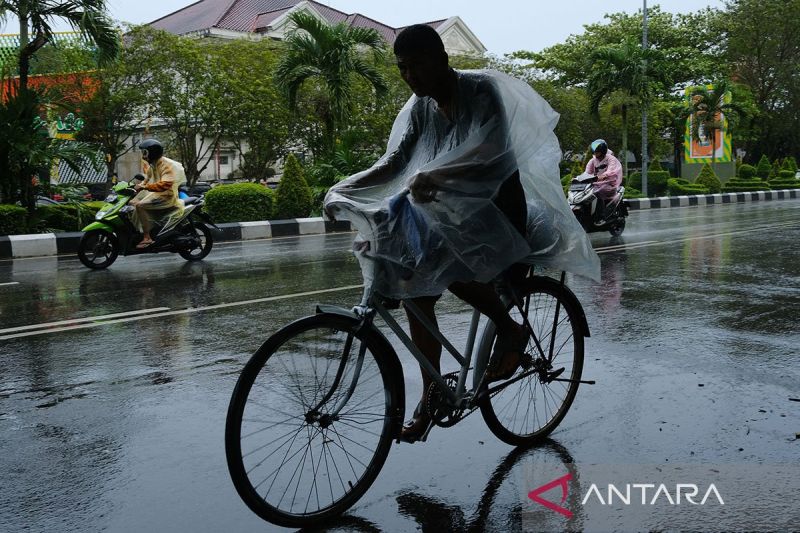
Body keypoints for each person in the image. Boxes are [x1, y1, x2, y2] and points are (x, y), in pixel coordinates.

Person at [324, 25, 599, 442]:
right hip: (451, 211)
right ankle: (432, 395)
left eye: (417, 65)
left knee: (440, 263)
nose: (409, 76)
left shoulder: (481, 91)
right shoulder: (421, 108)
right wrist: (346, 187)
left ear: (442, 59)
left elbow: (494, 153)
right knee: (415, 285)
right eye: (402, 68)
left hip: (500, 212)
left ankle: (508, 328)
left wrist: (437, 174)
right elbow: (398, 161)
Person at [130, 139, 186, 248]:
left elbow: (165, 184)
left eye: (145, 152)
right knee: (132, 203)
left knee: (140, 206)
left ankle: (147, 237)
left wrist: (144, 187)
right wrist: (134, 187)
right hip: (157, 194)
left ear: (152, 152)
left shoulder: (166, 166)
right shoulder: (153, 165)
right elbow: (146, 180)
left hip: (167, 196)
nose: (143, 156)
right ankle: (141, 232)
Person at [585, 139, 623, 220]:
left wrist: (604, 175)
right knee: (586, 193)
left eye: (597, 152)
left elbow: (611, 170)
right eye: (594, 152)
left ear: (603, 151)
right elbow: (587, 172)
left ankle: (601, 215)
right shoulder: (592, 160)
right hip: (597, 183)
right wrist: (578, 178)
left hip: (610, 183)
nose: (595, 154)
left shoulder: (611, 159)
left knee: (597, 193)